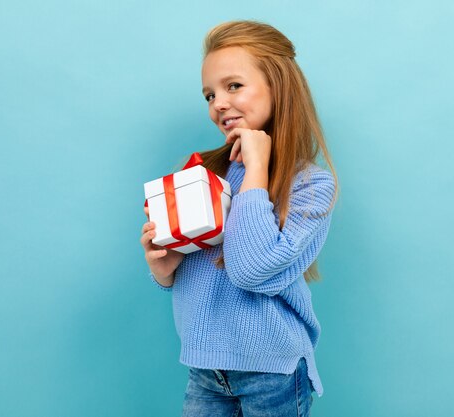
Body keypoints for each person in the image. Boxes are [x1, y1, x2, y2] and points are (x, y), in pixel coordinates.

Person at [140, 20, 337, 417]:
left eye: (234, 86)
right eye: (209, 94)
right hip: (204, 369)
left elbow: (251, 270)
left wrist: (257, 169)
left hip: (273, 373)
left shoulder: (312, 185)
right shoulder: (200, 173)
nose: (218, 103)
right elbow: (193, 276)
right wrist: (164, 268)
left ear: (278, 87)